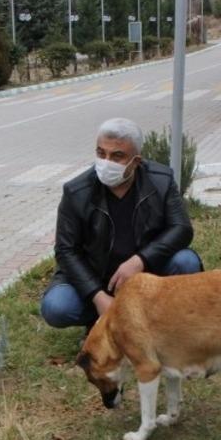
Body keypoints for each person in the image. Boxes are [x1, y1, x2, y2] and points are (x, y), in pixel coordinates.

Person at [40, 117, 203, 328]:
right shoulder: (76, 191)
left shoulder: (161, 180)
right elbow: (65, 250)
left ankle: (157, 321)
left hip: (147, 275)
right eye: (101, 153)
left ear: (136, 161)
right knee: (57, 307)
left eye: (117, 156)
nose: (106, 162)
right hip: (97, 278)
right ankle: (103, 318)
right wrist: (98, 296)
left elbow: (181, 228)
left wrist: (140, 260)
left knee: (185, 262)